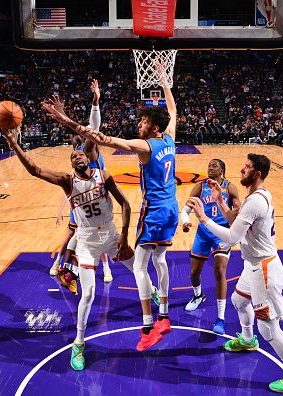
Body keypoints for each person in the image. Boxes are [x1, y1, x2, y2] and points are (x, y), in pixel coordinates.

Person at [0, 127, 157, 370]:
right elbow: (35, 170)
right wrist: (14, 144)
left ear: (88, 156)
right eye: (73, 157)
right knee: (89, 293)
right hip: (85, 241)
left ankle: (154, 292)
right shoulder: (67, 181)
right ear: (71, 163)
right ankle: (79, 343)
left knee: (139, 268)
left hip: (111, 234)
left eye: (81, 154)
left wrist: (124, 236)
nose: (78, 157)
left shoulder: (102, 175)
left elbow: (125, 204)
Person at [43, 72, 178, 352]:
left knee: (140, 267)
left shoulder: (145, 146)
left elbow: (100, 135)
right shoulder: (169, 139)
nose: (139, 124)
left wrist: (63, 118)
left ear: (153, 128)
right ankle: (163, 313)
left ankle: (148, 327)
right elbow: (173, 110)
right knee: (160, 260)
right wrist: (165, 84)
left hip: (151, 212)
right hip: (172, 210)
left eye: (143, 121)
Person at [187, 154, 283, 393]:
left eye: (247, 167)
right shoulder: (256, 196)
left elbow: (233, 237)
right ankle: (247, 339)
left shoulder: (255, 201)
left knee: (269, 328)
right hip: (253, 266)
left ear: (257, 174)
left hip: (264, 269)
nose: (242, 169)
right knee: (238, 301)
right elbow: (235, 220)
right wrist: (220, 201)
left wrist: (203, 218)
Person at [51, 80, 112, 283]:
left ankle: (103, 267)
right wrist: (62, 208)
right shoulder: (81, 158)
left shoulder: (92, 153)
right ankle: (61, 264)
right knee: (73, 233)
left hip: (95, 198)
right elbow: (69, 185)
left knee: (93, 234)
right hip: (80, 200)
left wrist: (95, 102)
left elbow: (93, 128)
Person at [180, 159, 240, 335]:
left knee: (220, 271)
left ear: (222, 170)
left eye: (214, 165)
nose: (210, 167)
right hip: (203, 233)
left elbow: (237, 207)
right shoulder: (200, 187)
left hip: (221, 233)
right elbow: (185, 210)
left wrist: (237, 211)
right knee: (194, 272)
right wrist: (186, 221)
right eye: (209, 165)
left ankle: (220, 318)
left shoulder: (230, 187)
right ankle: (198, 295)